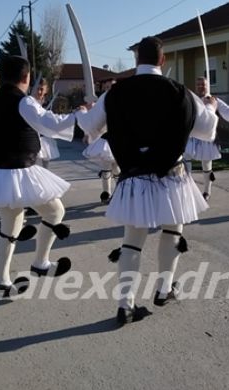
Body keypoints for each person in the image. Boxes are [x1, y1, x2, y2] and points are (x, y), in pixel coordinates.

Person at [77, 36, 218, 326]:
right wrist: (211, 108)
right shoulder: (182, 92)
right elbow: (208, 133)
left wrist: (88, 112)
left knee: (132, 241)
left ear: (136, 60)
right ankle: (164, 290)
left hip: (134, 176)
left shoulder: (115, 94)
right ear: (163, 60)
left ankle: (125, 305)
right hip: (172, 177)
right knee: (172, 232)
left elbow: (91, 128)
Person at [0, 55, 77, 297]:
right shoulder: (25, 102)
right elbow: (50, 124)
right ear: (26, 77)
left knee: (10, 229)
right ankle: (41, 262)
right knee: (55, 212)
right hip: (22, 170)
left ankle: (1, 281)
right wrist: (80, 116)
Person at [183, 76, 229, 200]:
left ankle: (206, 191)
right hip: (192, 136)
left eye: (203, 84)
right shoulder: (192, 99)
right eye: (198, 84)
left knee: (206, 165)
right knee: (186, 161)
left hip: (207, 137)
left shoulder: (214, 100)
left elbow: (227, 111)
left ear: (207, 86)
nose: (200, 87)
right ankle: (187, 189)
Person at [82, 77, 119, 204]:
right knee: (106, 167)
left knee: (117, 169)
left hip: (119, 139)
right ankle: (106, 193)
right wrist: (88, 134)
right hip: (105, 139)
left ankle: (119, 192)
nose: (109, 89)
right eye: (107, 87)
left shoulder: (122, 100)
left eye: (112, 86)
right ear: (104, 88)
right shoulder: (101, 101)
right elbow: (94, 121)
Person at [32, 78, 67, 169]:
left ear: (46, 90)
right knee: (33, 165)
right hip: (33, 137)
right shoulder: (29, 102)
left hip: (45, 137)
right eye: (37, 89)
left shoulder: (47, 103)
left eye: (42, 89)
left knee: (45, 164)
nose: (39, 92)